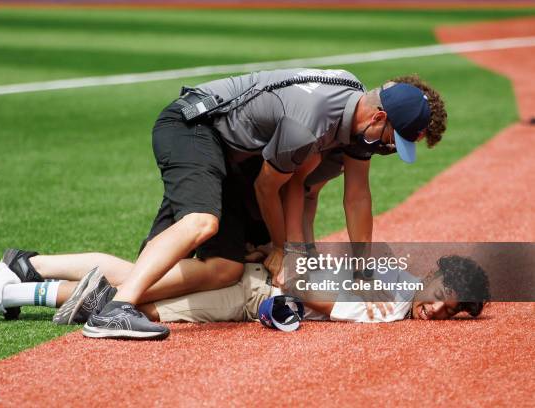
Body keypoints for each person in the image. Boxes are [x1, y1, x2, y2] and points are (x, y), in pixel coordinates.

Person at [83, 68, 447, 339]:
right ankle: (115, 308)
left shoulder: (354, 112)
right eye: (389, 139)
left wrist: (361, 271)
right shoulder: (311, 124)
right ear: (379, 118)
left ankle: (29, 273)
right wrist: (282, 249)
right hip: (196, 130)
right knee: (202, 225)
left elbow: (354, 197)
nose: (385, 148)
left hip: (232, 158)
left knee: (191, 265)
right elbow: (267, 188)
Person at [0, 252, 490, 329]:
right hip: (253, 289)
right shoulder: (392, 288)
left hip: (258, 281)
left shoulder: (396, 283)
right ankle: (9, 292)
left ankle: (25, 266)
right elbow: (310, 282)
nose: (440, 308)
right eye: (445, 293)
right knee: (145, 303)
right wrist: (288, 298)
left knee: (138, 275)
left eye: (453, 311)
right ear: (436, 275)